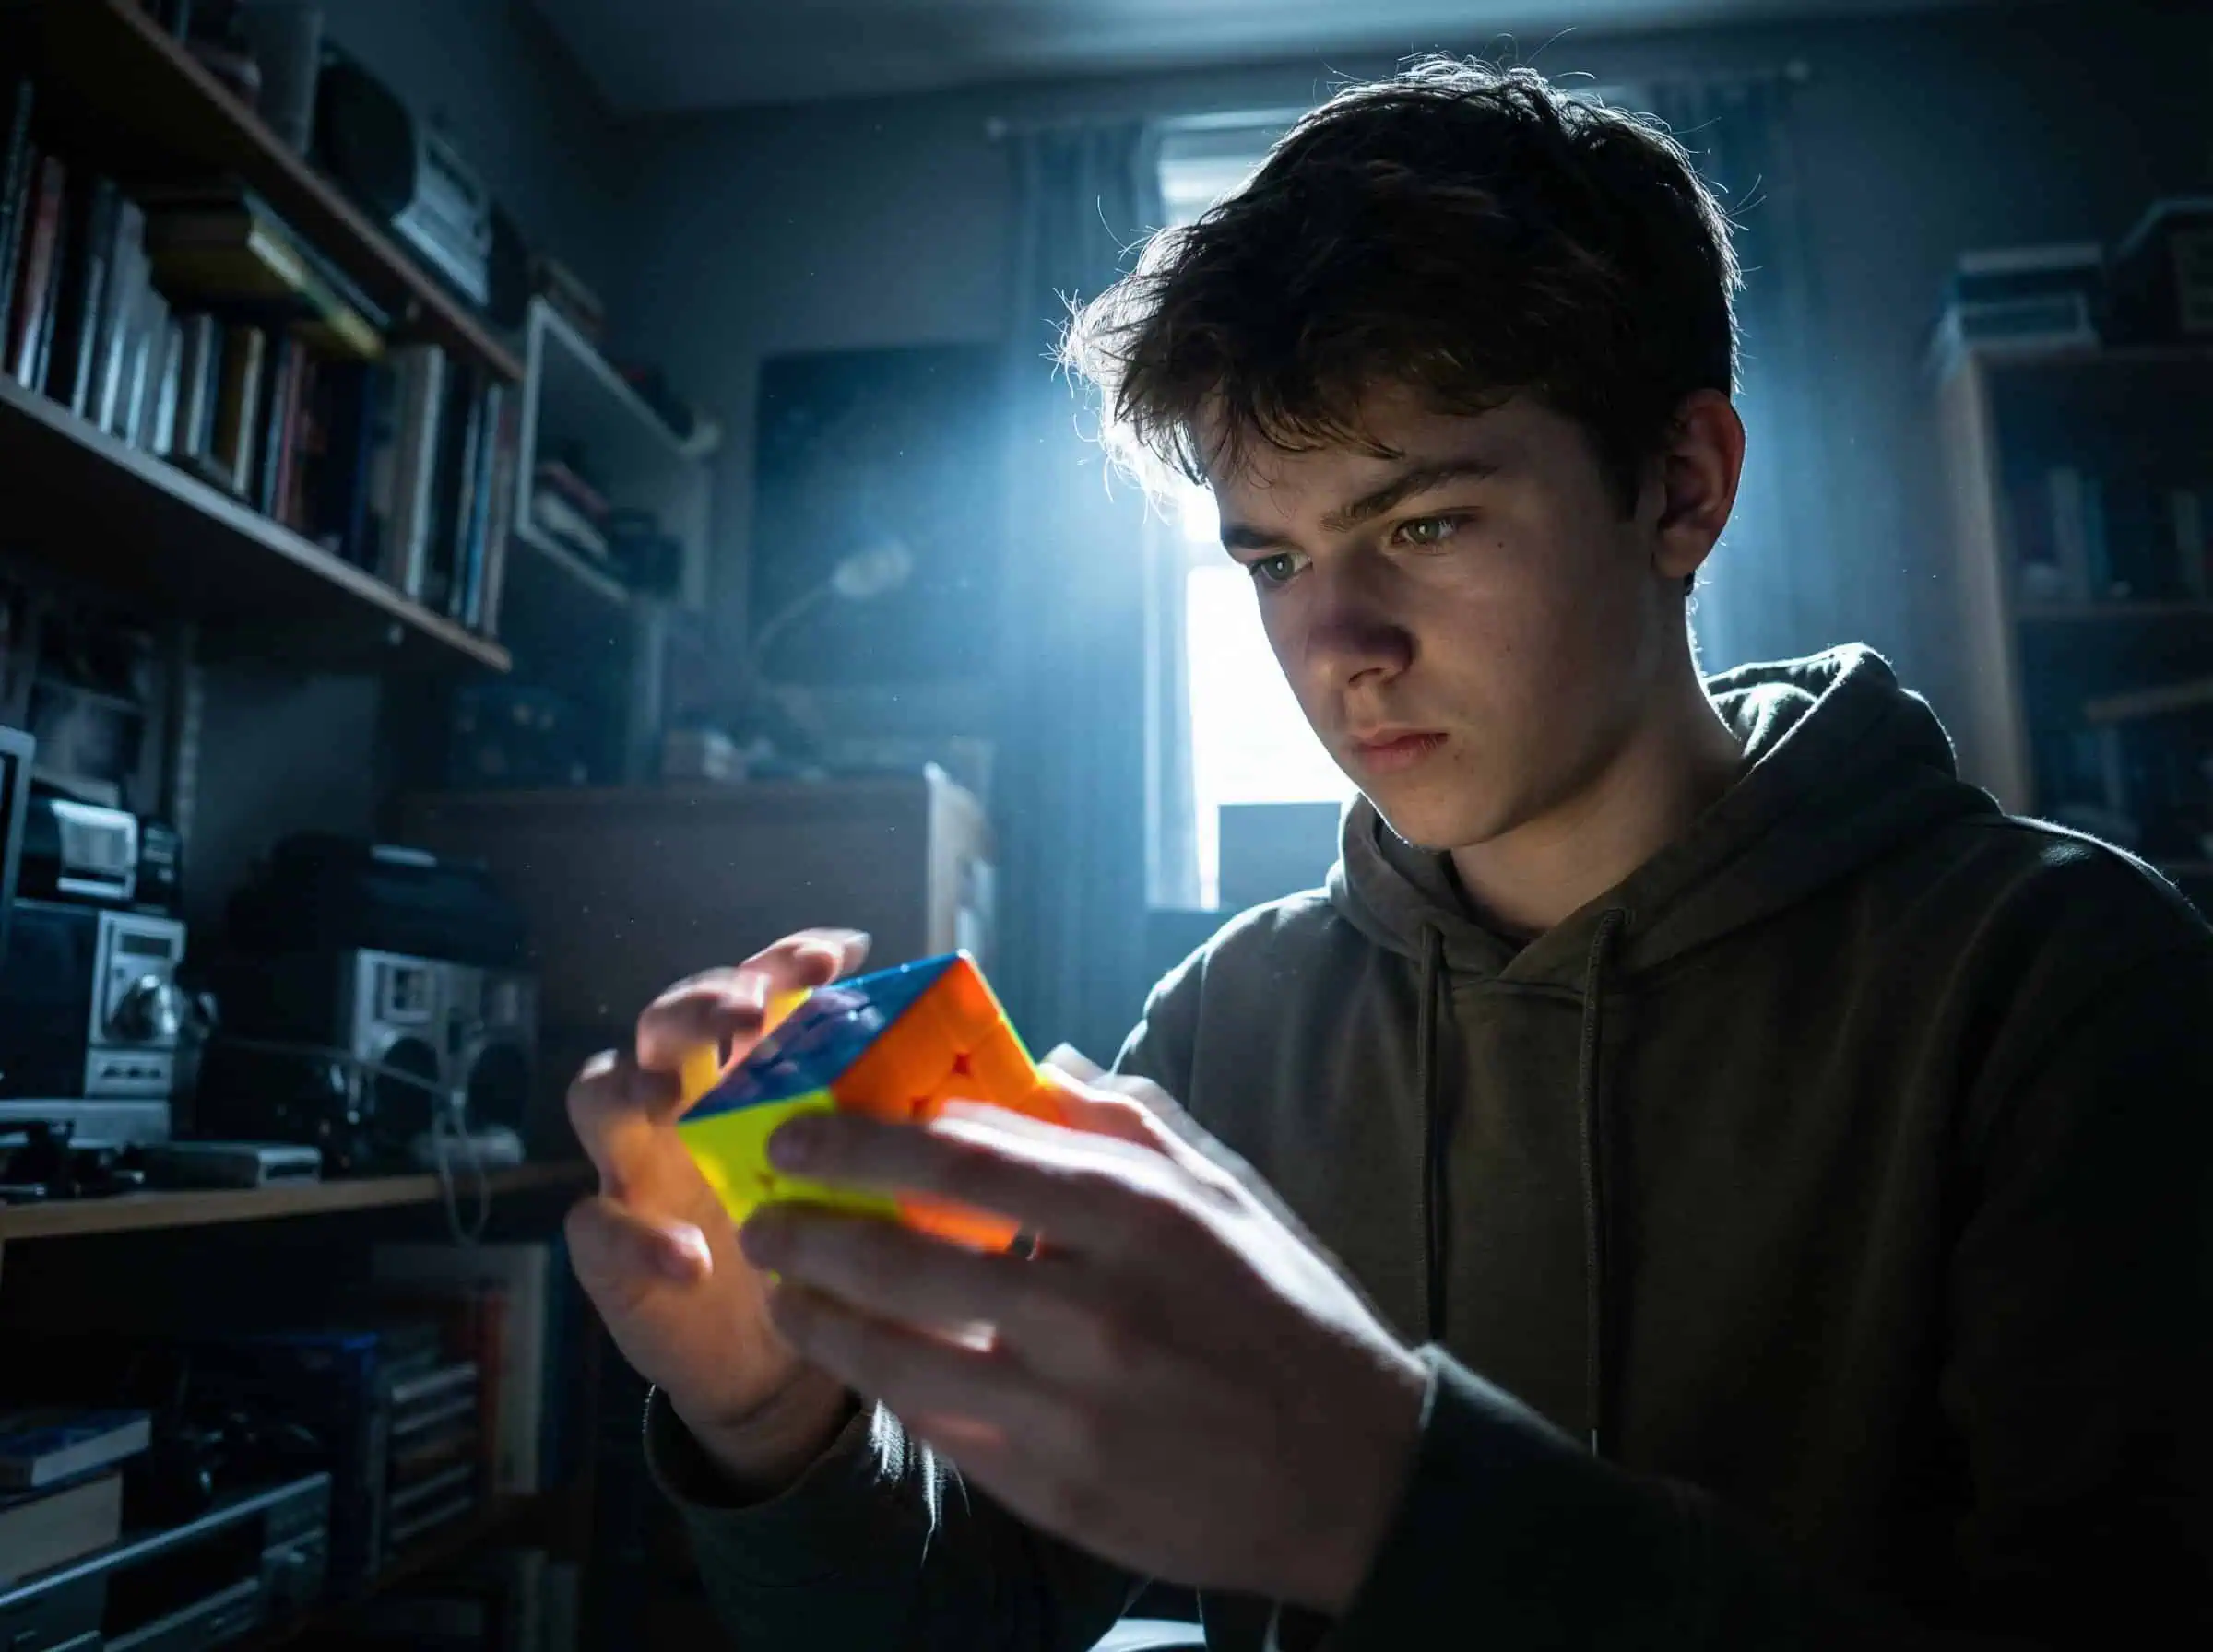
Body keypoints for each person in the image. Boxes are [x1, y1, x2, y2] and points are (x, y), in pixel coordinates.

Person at [562, 57, 2213, 1651]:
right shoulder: (1225, 1023)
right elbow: (971, 1620)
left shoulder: (2063, 982)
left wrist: (1389, 1494)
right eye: (1272, 558)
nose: (1337, 641)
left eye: (1420, 525)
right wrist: (774, 1422)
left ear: (1681, 488)